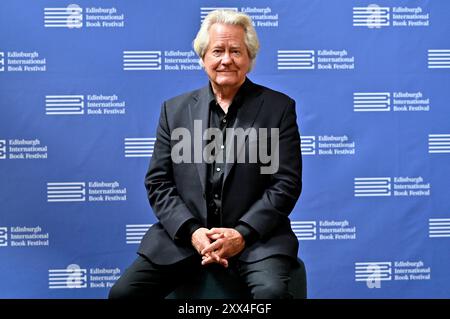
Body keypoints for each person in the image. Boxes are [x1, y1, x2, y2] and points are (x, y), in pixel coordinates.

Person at [109, 9, 302, 299]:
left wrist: (241, 234)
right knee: (123, 295)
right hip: (184, 240)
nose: (226, 59)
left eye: (236, 51)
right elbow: (159, 182)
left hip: (257, 240)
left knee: (272, 295)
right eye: (217, 51)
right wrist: (193, 232)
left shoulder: (278, 109)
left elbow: (284, 184)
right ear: (203, 59)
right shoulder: (173, 111)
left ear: (250, 59)